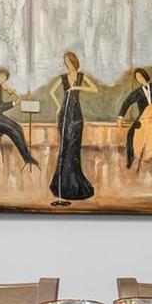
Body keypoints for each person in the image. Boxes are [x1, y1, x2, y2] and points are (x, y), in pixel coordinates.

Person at [48, 51, 99, 205]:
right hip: (64, 115)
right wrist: (58, 107)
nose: (68, 65)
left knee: (74, 151)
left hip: (76, 116)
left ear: (74, 62)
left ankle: (74, 185)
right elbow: (51, 92)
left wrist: (77, 89)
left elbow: (94, 89)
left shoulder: (81, 76)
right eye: (66, 62)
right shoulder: (63, 78)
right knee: (64, 150)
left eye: (69, 62)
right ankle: (61, 187)